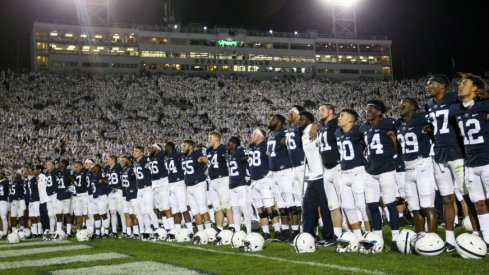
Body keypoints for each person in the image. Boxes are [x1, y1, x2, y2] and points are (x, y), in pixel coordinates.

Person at [426, 74, 478, 251]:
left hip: (457, 152)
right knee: (447, 198)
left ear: (442, 85)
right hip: (439, 155)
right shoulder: (429, 104)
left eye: (432, 83)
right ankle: (450, 239)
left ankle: (478, 235)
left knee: (467, 197)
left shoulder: (455, 99)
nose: (429, 86)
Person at [449, 73, 489, 249]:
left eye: (464, 83)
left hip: (487, 159)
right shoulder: (455, 109)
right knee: (478, 202)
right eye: (459, 83)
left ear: (475, 88)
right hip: (470, 162)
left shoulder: (484, 105)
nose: (460, 86)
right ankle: (487, 240)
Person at [397, 98, 438, 233]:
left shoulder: (421, 118)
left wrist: (430, 130)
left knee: (427, 205)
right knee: (414, 207)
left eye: (404, 104)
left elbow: (436, 125)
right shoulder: (397, 124)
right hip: (407, 168)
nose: (400, 105)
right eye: (400, 103)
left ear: (413, 107)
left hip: (422, 165)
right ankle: (421, 237)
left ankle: (433, 239)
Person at [298, 111, 336, 245]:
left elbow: (327, 129)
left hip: (322, 174)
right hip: (312, 176)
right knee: (307, 207)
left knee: (325, 208)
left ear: (309, 121)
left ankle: (329, 236)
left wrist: (316, 124)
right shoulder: (302, 134)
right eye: (299, 119)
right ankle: (307, 237)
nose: (299, 121)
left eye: (302, 119)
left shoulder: (315, 129)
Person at [335, 108, 370, 239]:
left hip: (358, 171)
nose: (339, 118)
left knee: (362, 204)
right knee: (347, 206)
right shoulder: (337, 132)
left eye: (342, 115)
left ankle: (369, 235)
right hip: (344, 173)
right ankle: (358, 237)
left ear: (350, 119)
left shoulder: (358, 130)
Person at [317, 103, 343, 239]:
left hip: (338, 166)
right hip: (327, 169)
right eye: (319, 110)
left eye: (322, 110)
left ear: (331, 112)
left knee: (346, 204)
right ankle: (337, 236)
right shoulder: (322, 127)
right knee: (333, 205)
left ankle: (352, 233)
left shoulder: (336, 123)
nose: (319, 112)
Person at [267, 114, 294, 241]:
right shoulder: (272, 134)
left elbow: (287, 143)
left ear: (280, 122)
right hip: (274, 172)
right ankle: (284, 231)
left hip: (284, 170)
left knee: (289, 201)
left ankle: (295, 230)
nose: (270, 120)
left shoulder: (283, 133)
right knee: (281, 204)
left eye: (273, 119)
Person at [285, 105, 306, 240]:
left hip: (302, 165)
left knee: (303, 197)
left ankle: (308, 227)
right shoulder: (288, 128)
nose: (289, 114)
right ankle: (296, 228)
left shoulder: (301, 128)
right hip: (291, 167)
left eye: (292, 112)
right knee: (295, 199)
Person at [248, 128, 274, 239]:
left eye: (254, 134)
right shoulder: (252, 147)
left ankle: (278, 230)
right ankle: (266, 232)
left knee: (270, 207)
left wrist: (270, 172)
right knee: (259, 208)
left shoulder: (266, 144)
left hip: (264, 179)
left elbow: (272, 156)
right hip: (254, 181)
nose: (251, 136)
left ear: (260, 136)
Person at [182, 139, 211, 233]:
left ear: (190, 147)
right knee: (194, 212)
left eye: (184, 146)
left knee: (203, 208)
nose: (182, 148)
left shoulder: (197, 153)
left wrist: (203, 159)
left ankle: (209, 232)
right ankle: (201, 233)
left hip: (199, 184)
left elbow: (208, 159)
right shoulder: (184, 157)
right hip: (189, 187)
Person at [207, 132, 233, 231]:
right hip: (212, 180)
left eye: (210, 137)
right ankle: (219, 228)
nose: (208, 139)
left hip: (222, 179)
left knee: (226, 206)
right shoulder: (209, 150)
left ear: (217, 139)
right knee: (217, 207)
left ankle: (232, 227)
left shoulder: (223, 148)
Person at [226, 136, 252, 233]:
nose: (228, 144)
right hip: (232, 185)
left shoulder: (241, 152)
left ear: (235, 144)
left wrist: (248, 175)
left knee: (244, 208)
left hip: (241, 184)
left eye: (230, 142)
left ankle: (249, 232)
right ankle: (237, 232)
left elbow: (249, 158)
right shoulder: (228, 154)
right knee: (235, 210)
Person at [133, 146, 160, 233]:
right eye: (134, 151)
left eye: (136, 151)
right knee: (143, 211)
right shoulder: (135, 162)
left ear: (141, 153)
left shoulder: (145, 158)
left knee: (149, 210)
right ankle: (148, 229)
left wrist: (148, 165)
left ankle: (156, 228)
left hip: (147, 187)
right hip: (139, 189)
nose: (134, 152)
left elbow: (150, 164)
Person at [149, 144, 172, 230]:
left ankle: (172, 227)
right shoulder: (151, 157)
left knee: (166, 206)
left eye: (153, 147)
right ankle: (166, 227)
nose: (151, 149)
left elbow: (168, 151)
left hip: (162, 182)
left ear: (157, 149)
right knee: (160, 208)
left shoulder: (162, 154)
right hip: (155, 183)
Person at [164, 142, 187, 230]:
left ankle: (190, 230)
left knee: (183, 208)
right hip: (170, 184)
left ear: (169, 147)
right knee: (174, 210)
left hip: (179, 182)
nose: (164, 149)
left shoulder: (179, 155)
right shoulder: (166, 158)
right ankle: (177, 230)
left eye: (165, 147)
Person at [120, 155, 141, 238]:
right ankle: (129, 233)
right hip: (125, 193)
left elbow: (137, 178)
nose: (122, 161)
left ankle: (137, 232)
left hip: (132, 192)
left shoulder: (132, 168)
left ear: (129, 160)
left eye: (124, 160)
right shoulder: (124, 169)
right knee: (127, 214)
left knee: (135, 214)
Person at [105, 155, 125, 236]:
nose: (107, 161)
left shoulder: (118, 166)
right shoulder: (106, 168)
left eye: (109, 159)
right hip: (110, 191)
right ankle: (114, 231)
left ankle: (125, 230)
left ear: (113, 160)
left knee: (121, 211)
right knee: (112, 211)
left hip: (118, 190)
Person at [55, 160, 74, 236]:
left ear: (65, 164)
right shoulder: (57, 171)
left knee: (67, 214)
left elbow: (73, 179)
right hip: (59, 195)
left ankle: (69, 232)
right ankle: (59, 232)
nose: (59, 164)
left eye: (61, 163)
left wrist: (71, 184)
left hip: (66, 195)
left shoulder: (68, 171)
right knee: (58, 214)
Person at [73, 161, 89, 231]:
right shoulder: (75, 173)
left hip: (85, 194)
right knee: (78, 214)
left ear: (81, 166)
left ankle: (87, 227)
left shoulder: (86, 171)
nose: (75, 168)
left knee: (86, 212)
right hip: (78, 195)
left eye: (76, 167)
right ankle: (78, 230)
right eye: (75, 167)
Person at [27, 165, 43, 238]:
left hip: (36, 199)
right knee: (32, 217)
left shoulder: (36, 178)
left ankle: (39, 232)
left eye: (30, 170)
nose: (28, 171)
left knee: (37, 216)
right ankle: (34, 233)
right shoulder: (30, 180)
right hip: (31, 200)